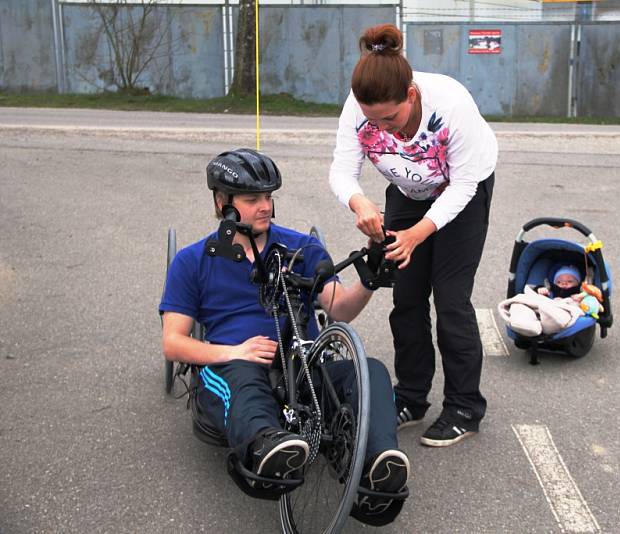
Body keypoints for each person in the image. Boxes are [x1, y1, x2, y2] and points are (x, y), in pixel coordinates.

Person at [160, 148, 408, 525]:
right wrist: (232, 351)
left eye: (268, 197)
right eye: (252, 199)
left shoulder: (300, 248)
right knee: (243, 379)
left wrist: (370, 279)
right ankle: (265, 447)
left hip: (303, 364)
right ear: (222, 203)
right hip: (235, 363)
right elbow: (173, 342)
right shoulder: (193, 261)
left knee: (369, 371)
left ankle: (376, 466)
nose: (265, 207)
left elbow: (339, 308)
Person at [328, 24, 498, 447]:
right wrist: (360, 203)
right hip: (408, 189)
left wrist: (418, 234)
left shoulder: (452, 103)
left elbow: (463, 186)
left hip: (462, 190)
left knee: (450, 297)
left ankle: (463, 406)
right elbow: (341, 171)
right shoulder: (358, 105)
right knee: (406, 296)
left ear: (411, 96)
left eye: (391, 118)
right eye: (373, 121)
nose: (383, 130)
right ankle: (411, 396)